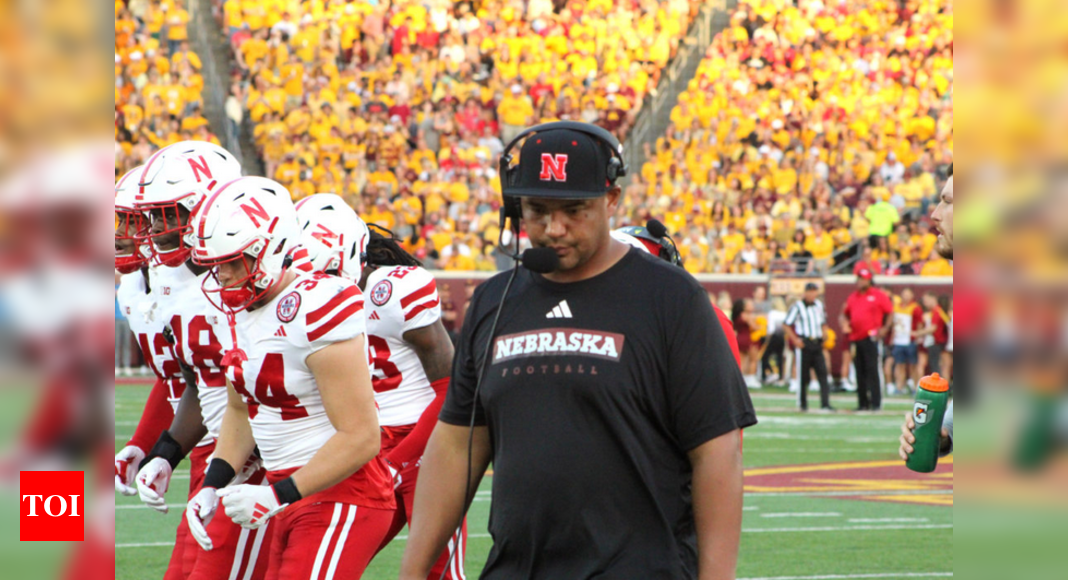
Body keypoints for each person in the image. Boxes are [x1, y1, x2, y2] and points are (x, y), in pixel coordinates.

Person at [400, 123, 756, 579]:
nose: (554, 228)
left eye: (574, 209)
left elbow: (717, 452)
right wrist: (411, 573)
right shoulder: (495, 300)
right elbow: (456, 446)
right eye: (537, 210)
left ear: (611, 200)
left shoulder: (673, 298)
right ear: (515, 210)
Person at [186, 177, 396, 578]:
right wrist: (213, 483)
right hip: (286, 492)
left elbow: (362, 436)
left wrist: (276, 495)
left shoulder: (316, 303)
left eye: (234, 261)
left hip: (344, 492)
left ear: (274, 250)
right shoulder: (232, 311)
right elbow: (241, 408)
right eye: (216, 263)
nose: (223, 275)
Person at [294, 194, 467, 579]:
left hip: (425, 443)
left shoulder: (394, 290)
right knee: (328, 561)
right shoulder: (296, 299)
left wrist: (398, 460)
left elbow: (452, 388)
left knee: (439, 573)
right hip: (362, 445)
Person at [130, 143, 274, 579]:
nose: (153, 229)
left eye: (167, 214)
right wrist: (163, 453)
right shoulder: (183, 282)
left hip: (262, 463)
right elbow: (202, 381)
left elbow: (263, 393)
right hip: (221, 455)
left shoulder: (255, 280)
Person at [840, 268, 893, 411]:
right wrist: (844, 323)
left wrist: (884, 329)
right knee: (859, 371)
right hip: (856, 338)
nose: (860, 281)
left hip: (871, 338)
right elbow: (844, 314)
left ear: (869, 280)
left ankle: (876, 403)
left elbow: (890, 313)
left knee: (873, 370)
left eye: (863, 279)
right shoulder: (853, 297)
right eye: (859, 279)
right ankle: (862, 403)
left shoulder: (878, 295)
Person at [784, 283, 834, 411]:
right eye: (810, 291)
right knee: (803, 376)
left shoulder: (819, 305)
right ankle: (802, 403)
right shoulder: (798, 306)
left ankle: (825, 404)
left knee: (823, 374)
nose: (812, 294)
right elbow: (786, 324)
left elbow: (823, 322)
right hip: (804, 343)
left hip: (817, 343)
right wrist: (795, 340)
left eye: (814, 291)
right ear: (805, 292)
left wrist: (824, 334)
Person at [890, 287, 923, 395]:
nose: (906, 297)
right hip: (899, 339)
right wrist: (892, 337)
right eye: (904, 294)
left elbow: (919, 323)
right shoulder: (897, 307)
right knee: (899, 364)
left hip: (910, 340)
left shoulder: (915, 308)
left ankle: (915, 386)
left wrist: (917, 336)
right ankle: (899, 386)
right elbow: (895, 324)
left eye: (908, 294)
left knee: (913, 365)